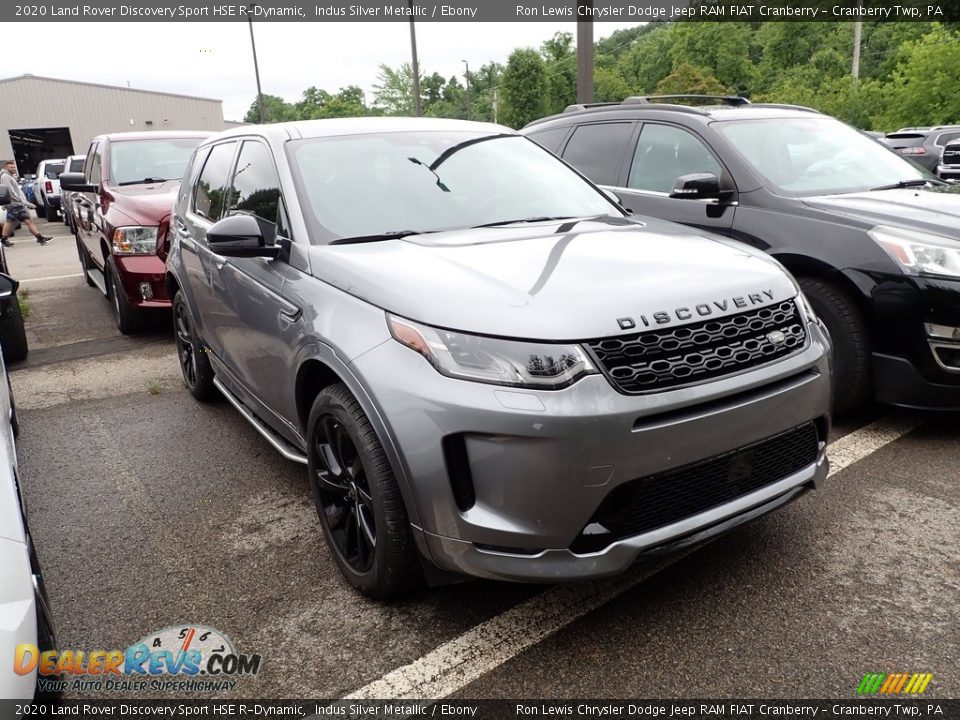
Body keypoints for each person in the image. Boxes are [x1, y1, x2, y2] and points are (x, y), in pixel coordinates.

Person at [1, 160, 51, 247]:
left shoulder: (10, 176)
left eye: (14, 167)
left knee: (16, 221)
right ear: (6, 168)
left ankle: (4, 239)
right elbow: (10, 191)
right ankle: (39, 238)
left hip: (16, 204)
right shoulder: (5, 176)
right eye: (11, 167)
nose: (13, 169)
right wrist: (21, 201)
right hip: (15, 204)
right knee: (23, 221)